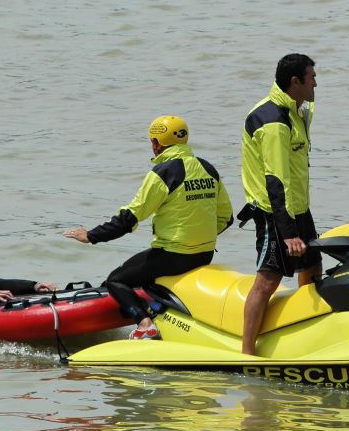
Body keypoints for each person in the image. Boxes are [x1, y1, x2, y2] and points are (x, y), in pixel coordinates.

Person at [64, 115, 233, 338]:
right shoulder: (208, 168)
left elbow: (129, 218)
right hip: (204, 254)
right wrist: (198, 235)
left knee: (116, 280)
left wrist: (91, 235)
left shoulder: (163, 173)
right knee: (140, 272)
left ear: (156, 143)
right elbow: (226, 217)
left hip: (174, 255)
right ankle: (160, 314)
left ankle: (145, 325)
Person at [239, 53, 321, 355]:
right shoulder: (273, 121)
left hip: (299, 207)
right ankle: (247, 353)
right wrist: (288, 232)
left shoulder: (296, 110)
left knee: (313, 268)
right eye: (312, 77)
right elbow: (275, 181)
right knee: (268, 281)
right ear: (295, 81)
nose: (317, 83)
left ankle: (306, 334)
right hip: (276, 213)